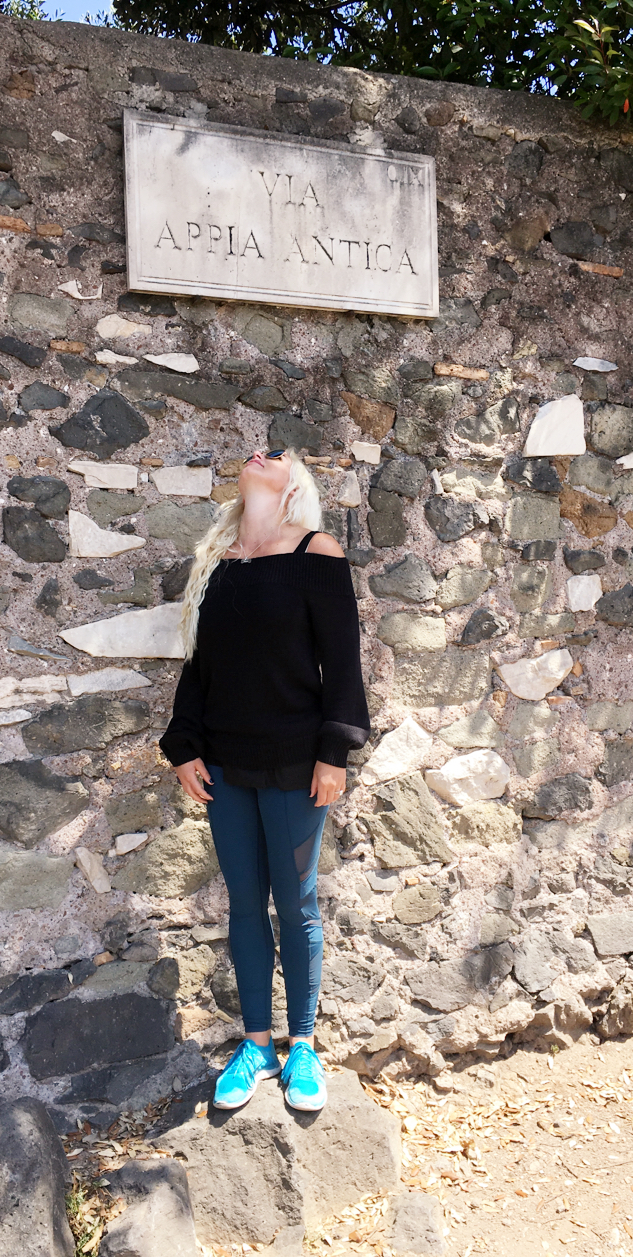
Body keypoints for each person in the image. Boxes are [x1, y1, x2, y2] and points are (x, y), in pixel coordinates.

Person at [159, 446, 370, 1113]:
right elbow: (200, 666)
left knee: (297, 903)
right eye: (257, 451)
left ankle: (302, 1045)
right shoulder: (219, 561)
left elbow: (343, 662)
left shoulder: (316, 552)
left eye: (277, 454)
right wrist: (184, 745)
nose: (261, 452)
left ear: (292, 485)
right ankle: (256, 1046)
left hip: (295, 765)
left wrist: (335, 752)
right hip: (224, 765)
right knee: (245, 905)